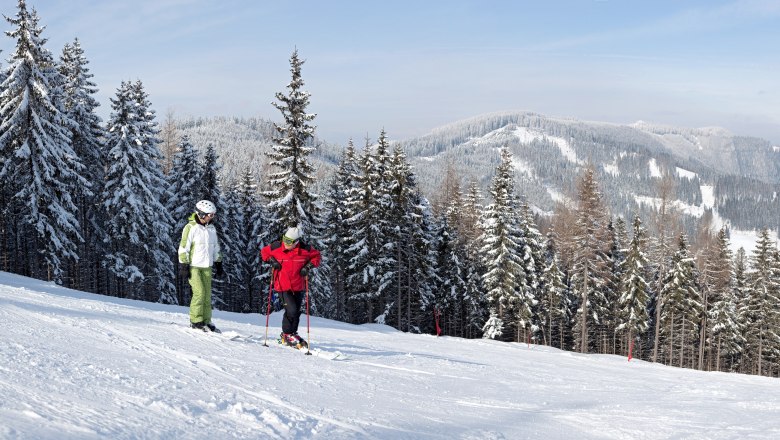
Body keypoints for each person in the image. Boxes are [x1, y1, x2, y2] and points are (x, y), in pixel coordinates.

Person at [261, 226, 321, 347]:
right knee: (291, 310)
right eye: (285, 239)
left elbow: (317, 256)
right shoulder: (276, 247)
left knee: (296, 311)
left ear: (296, 242)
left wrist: (308, 267)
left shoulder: (305, 249)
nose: (286, 243)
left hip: (298, 285)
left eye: (289, 241)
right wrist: (272, 261)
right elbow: (264, 252)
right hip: (282, 285)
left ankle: (292, 333)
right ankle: (286, 334)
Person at [178, 200, 224, 332]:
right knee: (199, 293)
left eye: (213, 215)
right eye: (210, 215)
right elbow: (183, 247)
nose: (212, 217)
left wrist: (218, 262)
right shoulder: (190, 227)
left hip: (207, 267)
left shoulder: (211, 229)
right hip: (194, 266)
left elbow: (216, 247)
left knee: (207, 295)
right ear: (201, 214)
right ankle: (196, 320)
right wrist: (184, 266)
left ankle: (206, 320)